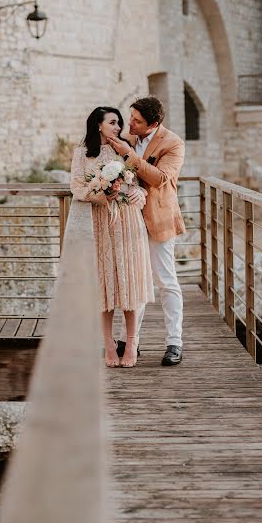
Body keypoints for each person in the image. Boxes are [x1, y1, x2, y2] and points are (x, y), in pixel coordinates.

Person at [70, 106, 154, 368]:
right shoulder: (82, 153)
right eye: (113, 122)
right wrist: (101, 195)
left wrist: (141, 194)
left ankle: (131, 344)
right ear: (98, 125)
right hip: (99, 222)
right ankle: (108, 345)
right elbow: (76, 187)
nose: (118, 127)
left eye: (119, 123)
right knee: (105, 286)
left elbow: (139, 182)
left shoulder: (126, 148)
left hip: (128, 220)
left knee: (128, 282)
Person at [107, 96, 185, 366]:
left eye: (137, 120)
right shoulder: (128, 136)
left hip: (158, 219)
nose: (130, 123)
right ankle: (129, 341)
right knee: (133, 280)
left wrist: (129, 156)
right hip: (128, 220)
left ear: (153, 123)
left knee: (165, 281)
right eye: (131, 117)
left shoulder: (173, 143)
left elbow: (161, 178)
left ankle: (175, 342)